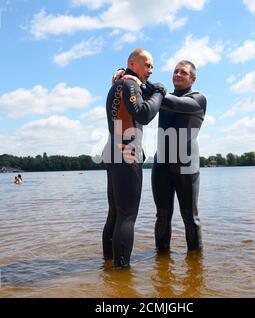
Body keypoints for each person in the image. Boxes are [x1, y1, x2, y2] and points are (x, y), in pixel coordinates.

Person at [114, 60, 207, 253]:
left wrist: (144, 84)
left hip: (186, 166)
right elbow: (144, 93)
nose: (178, 75)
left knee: (190, 217)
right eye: (175, 71)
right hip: (162, 165)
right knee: (162, 215)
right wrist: (126, 74)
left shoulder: (197, 99)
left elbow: (171, 102)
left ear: (193, 78)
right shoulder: (162, 96)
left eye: (183, 72)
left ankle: (196, 266)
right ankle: (162, 260)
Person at [102, 48, 166, 268]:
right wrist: (160, 93)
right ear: (133, 63)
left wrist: (149, 87)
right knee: (127, 215)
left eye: (152, 65)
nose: (151, 69)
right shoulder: (128, 84)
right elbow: (144, 113)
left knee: (115, 212)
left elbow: (139, 99)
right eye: (147, 64)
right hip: (126, 151)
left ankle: (108, 265)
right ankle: (121, 272)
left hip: (111, 151)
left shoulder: (121, 82)